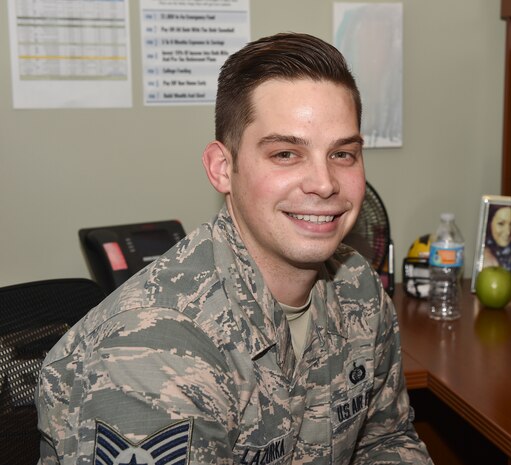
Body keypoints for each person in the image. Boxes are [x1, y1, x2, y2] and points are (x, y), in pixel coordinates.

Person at [35, 33, 433, 465]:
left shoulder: (357, 286)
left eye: (342, 154)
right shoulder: (155, 352)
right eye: (286, 153)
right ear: (223, 169)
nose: (324, 183)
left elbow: (385, 441)